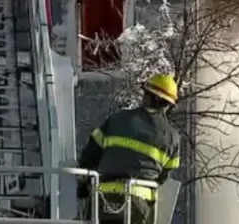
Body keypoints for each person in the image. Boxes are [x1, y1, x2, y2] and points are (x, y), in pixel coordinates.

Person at [77, 73, 182, 224]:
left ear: (153, 97)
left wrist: (83, 184)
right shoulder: (172, 137)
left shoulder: (117, 119)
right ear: (167, 103)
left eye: (146, 93)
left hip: (103, 199)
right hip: (139, 205)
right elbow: (164, 176)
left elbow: (90, 154)